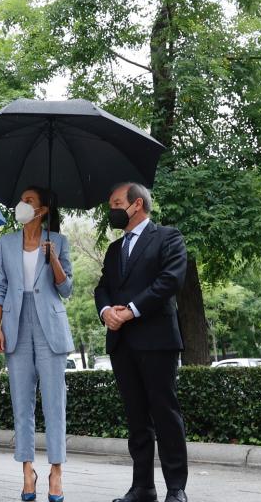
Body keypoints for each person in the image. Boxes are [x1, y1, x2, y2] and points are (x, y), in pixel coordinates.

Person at [95, 183, 188, 502]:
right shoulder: (113, 249)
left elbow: (170, 281)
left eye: (116, 203)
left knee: (165, 413)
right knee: (136, 418)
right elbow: (102, 288)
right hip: (122, 344)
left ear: (136, 205)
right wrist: (107, 311)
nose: (112, 210)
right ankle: (143, 487)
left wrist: (130, 311)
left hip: (157, 340)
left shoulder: (168, 237)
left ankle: (176, 488)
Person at [0, 186, 74, 502]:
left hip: (50, 325)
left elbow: (67, 290)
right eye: (21, 200)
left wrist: (52, 259)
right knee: (21, 403)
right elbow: (0, 288)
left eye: (29, 201)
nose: (22, 205)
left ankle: (56, 471)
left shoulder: (59, 241)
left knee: (55, 403)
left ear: (42, 210)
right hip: (15, 324)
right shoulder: (6, 243)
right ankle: (27, 471)